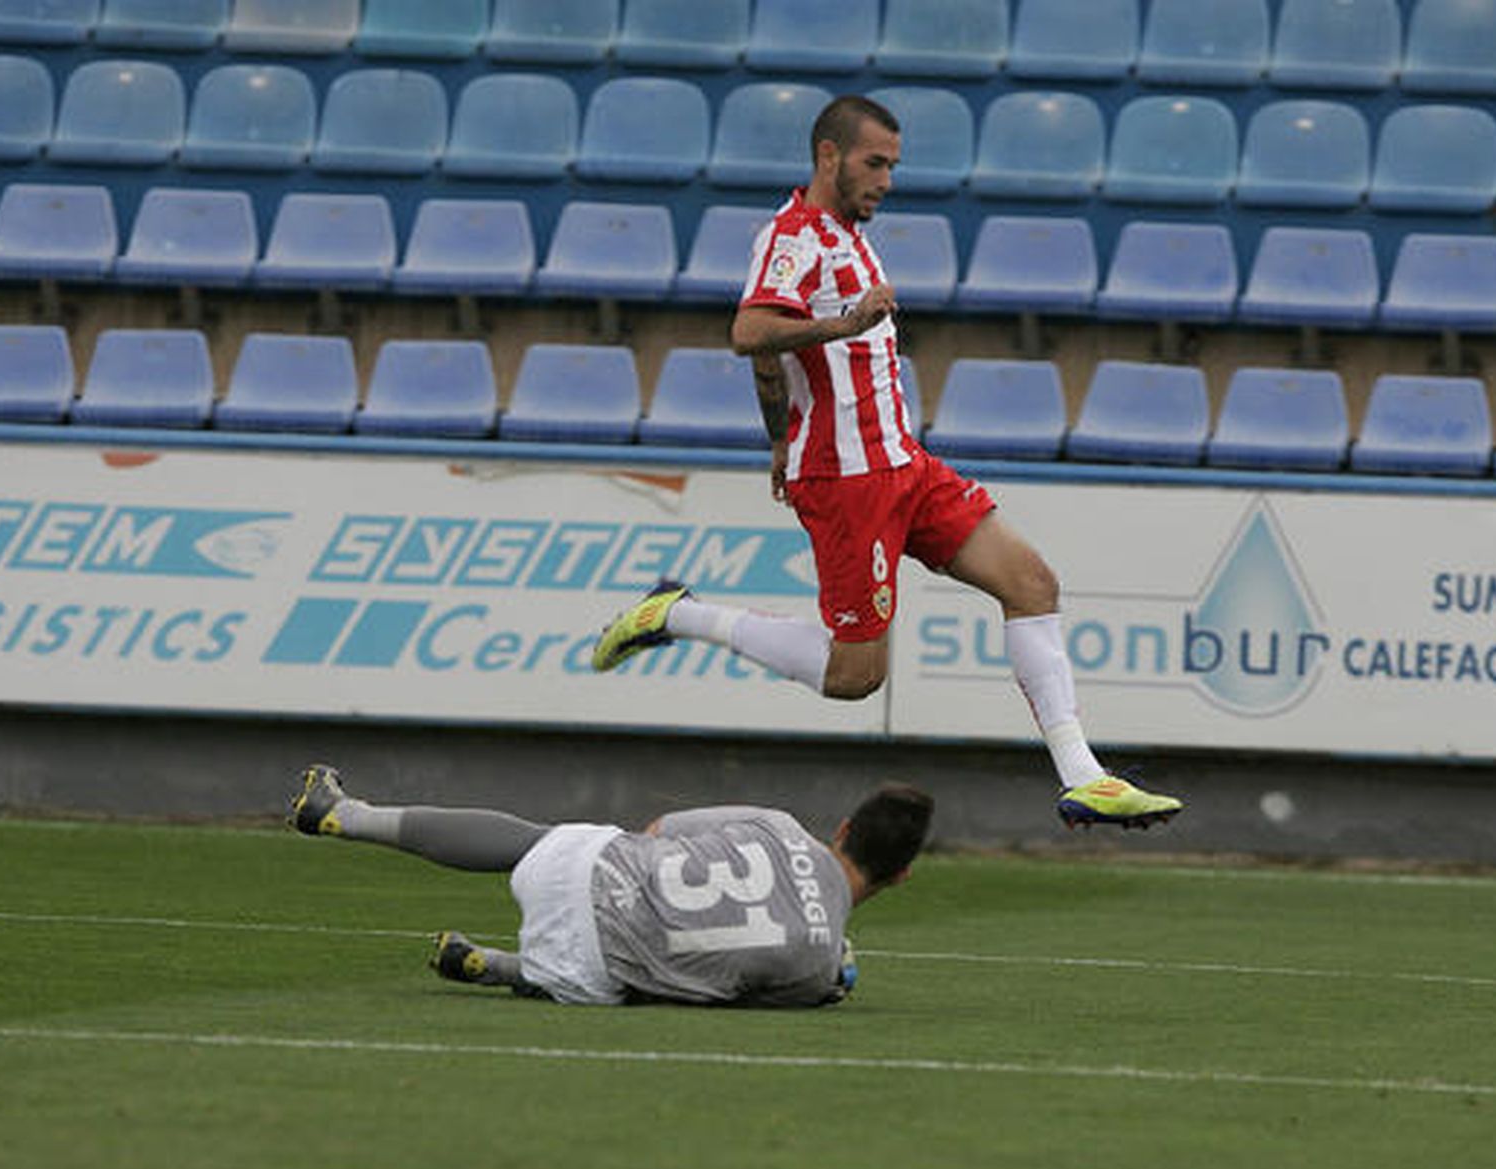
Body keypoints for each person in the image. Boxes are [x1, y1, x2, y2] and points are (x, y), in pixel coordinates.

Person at [592, 95, 1182, 831]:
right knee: (854, 677)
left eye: (894, 166)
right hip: (848, 481)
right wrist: (844, 326)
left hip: (903, 463)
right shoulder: (794, 236)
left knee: (1031, 582)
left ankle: (1084, 777)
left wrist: (779, 436)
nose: (887, 180)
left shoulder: (850, 237)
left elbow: (775, 359)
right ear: (829, 157)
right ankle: (678, 615)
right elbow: (751, 331)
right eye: (875, 163)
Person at [286, 764, 933, 1007]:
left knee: (533, 840)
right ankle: (505, 969)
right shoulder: (819, 965)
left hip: (591, 872)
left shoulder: (779, 824)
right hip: (592, 973)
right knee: (665, 977)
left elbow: (659, 828)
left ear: (844, 827)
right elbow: (736, 993)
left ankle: (347, 816)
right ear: (902, 875)